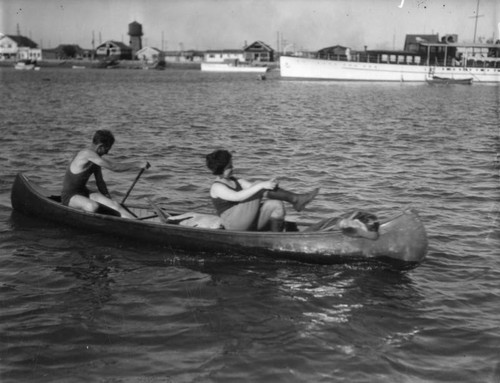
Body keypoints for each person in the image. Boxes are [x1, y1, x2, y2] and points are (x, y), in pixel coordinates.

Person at [205, 149, 319, 232]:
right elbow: (238, 197)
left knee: (276, 205)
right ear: (220, 169)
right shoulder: (217, 187)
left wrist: (270, 184)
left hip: (246, 220)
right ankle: (296, 199)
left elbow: (253, 188)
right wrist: (261, 185)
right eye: (229, 167)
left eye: (232, 165)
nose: (232, 168)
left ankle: (275, 239)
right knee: (258, 185)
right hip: (233, 224)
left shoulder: (235, 180)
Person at [61, 129, 149, 218]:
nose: (107, 152)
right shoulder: (86, 154)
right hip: (69, 196)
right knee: (92, 206)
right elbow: (113, 167)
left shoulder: (95, 160)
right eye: (107, 148)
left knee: (115, 205)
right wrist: (137, 164)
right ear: (100, 146)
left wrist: (107, 197)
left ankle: (137, 223)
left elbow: (100, 182)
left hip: (84, 192)